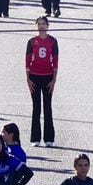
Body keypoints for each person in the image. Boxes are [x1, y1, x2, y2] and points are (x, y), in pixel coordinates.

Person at [26, 16, 58, 148]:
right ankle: (35, 138)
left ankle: (49, 138)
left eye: (43, 23)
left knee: (47, 107)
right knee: (36, 107)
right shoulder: (32, 41)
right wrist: (28, 79)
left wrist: (54, 80)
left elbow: (55, 61)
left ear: (48, 25)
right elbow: (27, 60)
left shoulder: (53, 41)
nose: (41, 26)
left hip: (48, 76)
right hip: (34, 76)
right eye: (39, 24)